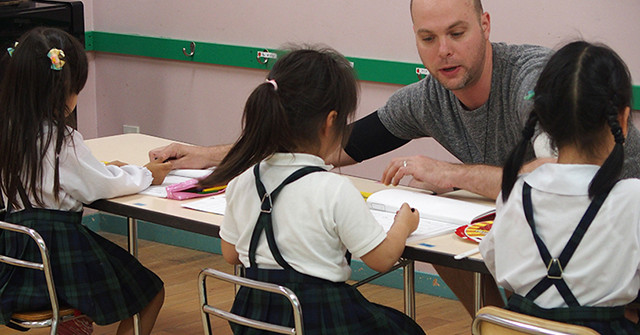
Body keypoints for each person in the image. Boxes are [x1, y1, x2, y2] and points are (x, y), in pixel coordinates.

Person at [149, 0, 640, 316]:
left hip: (613, 232)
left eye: (457, 32)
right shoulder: (427, 97)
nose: (444, 51)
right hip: (557, 253)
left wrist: (452, 174)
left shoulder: (533, 81)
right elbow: (333, 143)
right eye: (428, 39)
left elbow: (568, 167)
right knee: (449, 246)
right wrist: (209, 155)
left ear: (485, 25)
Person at [202, 46, 425, 334]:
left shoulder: (243, 180)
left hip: (255, 320)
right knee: (405, 329)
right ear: (331, 122)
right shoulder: (334, 189)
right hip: (320, 320)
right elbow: (381, 259)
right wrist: (403, 225)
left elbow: (231, 254)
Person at [0, 27, 171, 335]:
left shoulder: (9, 132)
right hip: (57, 251)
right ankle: (74, 322)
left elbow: (66, 175)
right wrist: (146, 172)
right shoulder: (60, 138)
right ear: (62, 92)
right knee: (150, 292)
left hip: (16, 253)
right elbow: (101, 186)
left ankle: (73, 324)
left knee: (80, 301)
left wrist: (101, 168)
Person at [480, 41, 640, 334]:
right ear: (623, 119)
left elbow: (495, 262)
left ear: (546, 120)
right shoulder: (633, 199)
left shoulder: (517, 191)